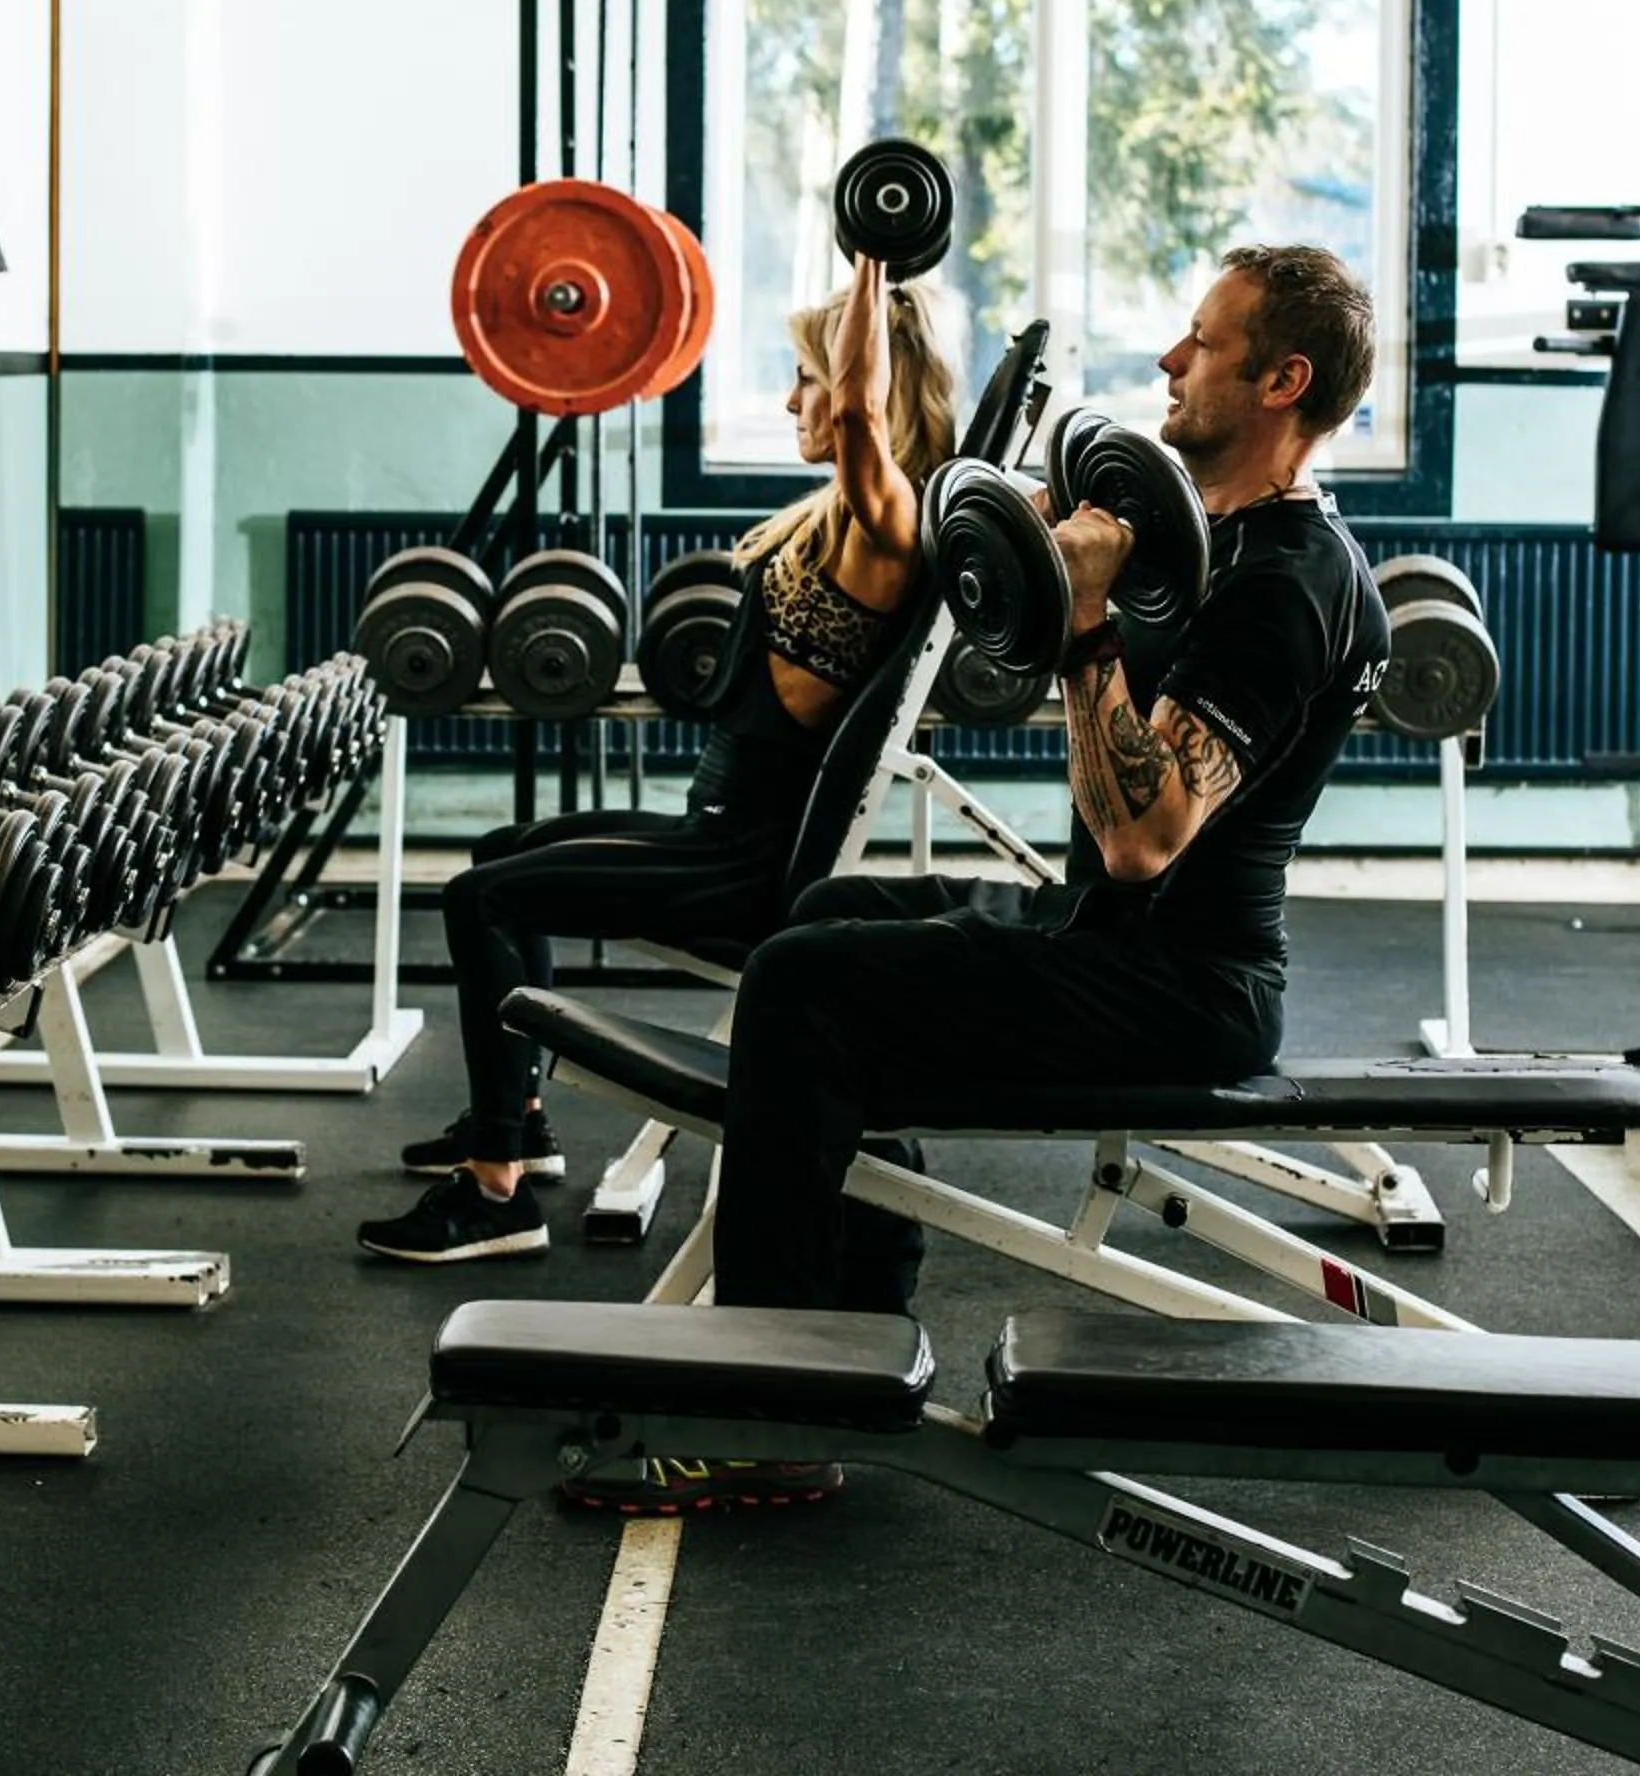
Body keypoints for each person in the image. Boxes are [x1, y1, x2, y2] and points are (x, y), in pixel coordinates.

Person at [585, 245, 1389, 1513]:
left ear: (1282, 381)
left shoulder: (1287, 584)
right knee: (832, 912)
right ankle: (856, 1327)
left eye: (1204, 342)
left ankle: (763, 1412)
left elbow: (1144, 838)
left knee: (800, 980)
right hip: (1109, 935)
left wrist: (1084, 619)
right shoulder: (1215, 539)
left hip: (1180, 980)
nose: (1171, 358)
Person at [356, 252, 962, 1266]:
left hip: (741, 860)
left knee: (480, 901)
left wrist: (871, 257)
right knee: (503, 856)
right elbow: (856, 409)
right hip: (715, 827)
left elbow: (860, 409)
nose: (794, 400)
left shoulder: (885, 528)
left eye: (806, 378)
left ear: (869, 390)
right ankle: (520, 1116)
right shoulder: (846, 518)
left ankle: (495, 1186)